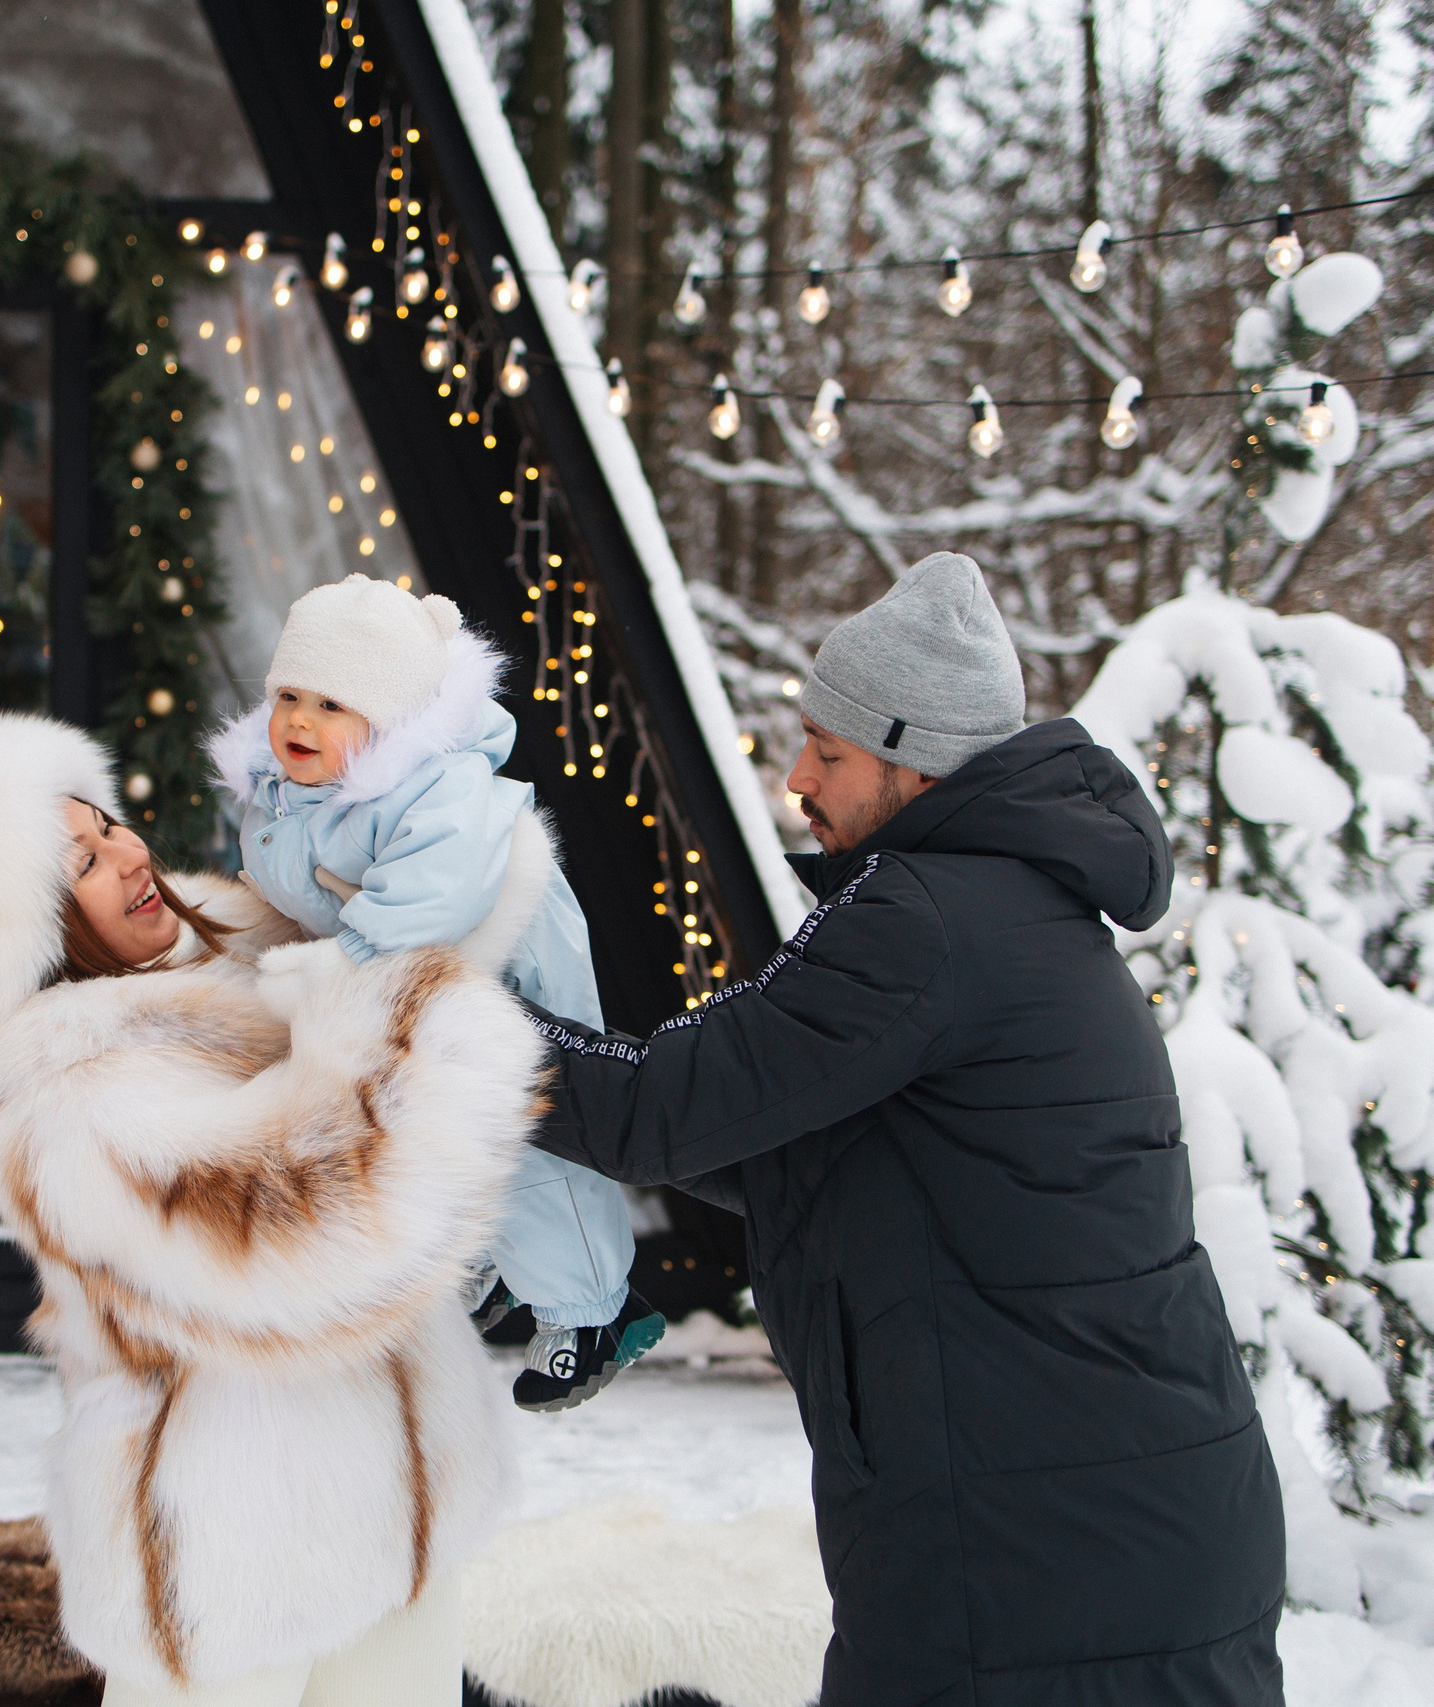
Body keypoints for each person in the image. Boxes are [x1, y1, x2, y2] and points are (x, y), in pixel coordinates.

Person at [524, 552, 1286, 1707]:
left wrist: (439, 1020)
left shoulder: (923, 922)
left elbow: (656, 1113)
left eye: (827, 753)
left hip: (1040, 1547)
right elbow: (785, 1150)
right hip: (1111, 1522)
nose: (795, 780)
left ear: (910, 760)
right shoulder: (1013, 909)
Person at [0, 710, 550, 1707]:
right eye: (77, 864)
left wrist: (451, 856)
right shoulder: (70, 1105)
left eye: (106, 824)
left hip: (395, 1499)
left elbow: (398, 937)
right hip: (230, 1548)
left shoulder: (229, 949)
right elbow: (304, 1226)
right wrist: (425, 1021)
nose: (124, 856)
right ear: (25, 926)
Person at [208, 573, 659, 1411]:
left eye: (333, 704)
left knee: (530, 1136)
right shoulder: (284, 790)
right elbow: (293, 882)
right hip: (399, 975)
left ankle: (595, 1307)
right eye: (290, 695)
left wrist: (345, 959)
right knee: (412, 1131)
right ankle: (482, 1264)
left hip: (507, 969)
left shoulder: (437, 789)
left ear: (391, 720)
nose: (301, 720)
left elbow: (435, 895)